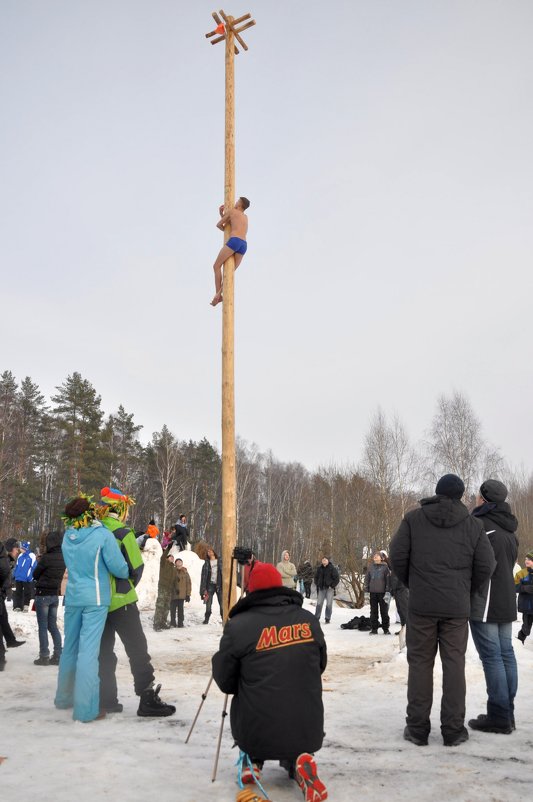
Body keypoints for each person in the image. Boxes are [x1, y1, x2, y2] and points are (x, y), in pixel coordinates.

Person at [390, 473, 496, 748]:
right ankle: (453, 730)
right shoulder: (473, 525)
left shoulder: (414, 519)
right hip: (455, 609)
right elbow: (487, 565)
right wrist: (465, 589)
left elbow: (397, 556)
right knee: (454, 666)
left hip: (423, 605)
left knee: (420, 665)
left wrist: (414, 584)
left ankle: (416, 729)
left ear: (437, 492)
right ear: (461, 495)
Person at [212, 562, 328, 802]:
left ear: (251, 589)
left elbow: (225, 681)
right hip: (307, 728)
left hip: (256, 729)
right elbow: (320, 666)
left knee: (252, 695)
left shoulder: (239, 625)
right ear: (279, 586)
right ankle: (299, 759)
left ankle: (252, 760)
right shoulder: (308, 620)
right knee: (292, 694)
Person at [98, 486, 176, 717]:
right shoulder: (123, 533)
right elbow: (136, 567)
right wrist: (127, 584)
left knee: (104, 653)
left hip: (98, 602)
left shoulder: (93, 530)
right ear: (120, 509)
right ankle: (147, 697)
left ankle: (106, 699)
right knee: (137, 650)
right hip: (122, 601)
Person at [55, 496, 129, 722]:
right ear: (90, 513)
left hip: (74, 596)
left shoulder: (68, 536)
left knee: (70, 647)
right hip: (96, 598)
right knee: (89, 651)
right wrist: (126, 570)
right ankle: (86, 709)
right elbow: (119, 568)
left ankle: (64, 697)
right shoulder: (101, 535)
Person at [468, 479, 519, 735]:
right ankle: (507, 713)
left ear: (484, 500)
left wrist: (472, 589)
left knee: (493, 657)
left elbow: (479, 565)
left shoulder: (481, 525)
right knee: (506, 654)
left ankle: (499, 715)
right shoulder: (510, 529)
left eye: (478, 496)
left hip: (486, 599)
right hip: (507, 597)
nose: (475, 499)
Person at [32, 530, 66, 666]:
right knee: (53, 626)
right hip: (54, 595)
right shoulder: (64, 557)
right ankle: (58, 654)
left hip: (42, 595)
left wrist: (39, 561)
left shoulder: (46, 558)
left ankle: (44, 656)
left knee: (43, 626)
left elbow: (35, 574)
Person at [210, 197, 250, 306]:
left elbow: (220, 225)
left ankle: (218, 294)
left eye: (237, 201)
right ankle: (219, 294)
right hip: (243, 245)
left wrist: (221, 214)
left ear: (240, 205)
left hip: (234, 241)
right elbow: (234, 224)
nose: (235, 202)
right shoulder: (246, 217)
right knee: (229, 272)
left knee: (216, 266)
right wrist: (224, 215)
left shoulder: (232, 211)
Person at [0, 538, 26, 666]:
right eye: (16, 549)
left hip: (1, 594)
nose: (18, 551)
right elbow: (3, 574)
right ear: (10, 549)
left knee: (3, 618)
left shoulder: (6, 558)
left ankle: (10, 641)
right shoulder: (3, 558)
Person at [364, 552, 392, 635]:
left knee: (384, 611)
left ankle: (386, 629)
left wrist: (387, 592)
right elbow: (367, 579)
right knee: (373, 612)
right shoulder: (370, 567)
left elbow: (388, 581)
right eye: (374, 556)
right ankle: (374, 629)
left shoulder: (385, 567)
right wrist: (366, 591)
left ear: (381, 558)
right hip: (373, 593)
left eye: (377, 556)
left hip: (383, 593)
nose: (375, 557)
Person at [154, 548, 175, 631]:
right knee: (160, 606)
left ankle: (163, 622)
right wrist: (168, 549)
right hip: (163, 587)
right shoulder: (163, 564)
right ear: (167, 558)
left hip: (169, 589)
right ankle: (156, 624)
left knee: (166, 607)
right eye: (170, 557)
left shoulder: (173, 568)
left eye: (173, 558)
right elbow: (162, 557)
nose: (172, 558)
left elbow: (174, 580)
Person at [200, 546, 222, 624]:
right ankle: (206, 619)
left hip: (219, 585)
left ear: (214, 552)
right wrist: (203, 589)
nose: (209, 553)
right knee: (208, 604)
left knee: (222, 603)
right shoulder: (206, 563)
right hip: (210, 585)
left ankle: (224, 619)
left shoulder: (220, 561)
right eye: (208, 552)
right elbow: (203, 577)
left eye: (211, 551)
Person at [314, 557, 340, 624]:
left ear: (328, 561)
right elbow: (315, 577)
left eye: (325, 560)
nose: (324, 561)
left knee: (329, 604)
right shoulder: (319, 569)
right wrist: (317, 584)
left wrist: (332, 586)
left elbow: (337, 578)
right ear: (322, 561)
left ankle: (327, 618)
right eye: (323, 560)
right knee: (319, 604)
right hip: (321, 588)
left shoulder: (332, 568)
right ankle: (316, 617)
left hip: (329, 589)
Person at [12, 540, 36, 611]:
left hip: (27, 578)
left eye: (21, 548)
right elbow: (17, 566)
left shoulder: (31, 555)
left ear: (25, 548)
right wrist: (15, 574)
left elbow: (33, 567)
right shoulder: (20, 555)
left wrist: (30, 576)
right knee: (18, 592)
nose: (20, 549)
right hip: (19, 577)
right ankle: (18, 606)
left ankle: (26, 605)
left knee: (27, 592)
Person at [515, 552, 533, 643]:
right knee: (526, 628)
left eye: (529, 559)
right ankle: (519, 642)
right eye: (526, 559)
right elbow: (514, 587)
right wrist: (525, 588)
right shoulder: (521, 573)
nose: (526, 561)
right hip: (527, 606)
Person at [170, 558, 191, 628]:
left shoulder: (185, 572)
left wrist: (188, 595)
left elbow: (188, 584)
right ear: (175, 563)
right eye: (177, 561)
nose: (179, 562)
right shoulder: (172, 571)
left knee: (180, 610)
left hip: (182, 595)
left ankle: (180, 623)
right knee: (172, 610)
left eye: (180, 561)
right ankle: (172, 623)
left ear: (182, 563)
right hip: (173, 594)